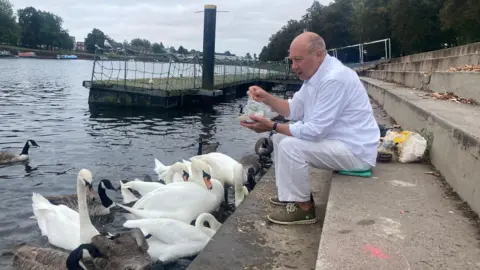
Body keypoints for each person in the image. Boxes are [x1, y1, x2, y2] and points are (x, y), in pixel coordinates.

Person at [240, 32, 380, 225]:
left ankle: (304, 209)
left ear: (319, 54)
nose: (294, 66)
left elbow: (315, 131)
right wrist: (267, 98)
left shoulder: (334, 79)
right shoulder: (315, 77)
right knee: (280, 139)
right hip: (340, 143)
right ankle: (289, 196)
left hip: (356, 151)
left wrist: (271, 125)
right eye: (292, 60)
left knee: (290, 145)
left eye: (298, 60)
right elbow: (293, 110)